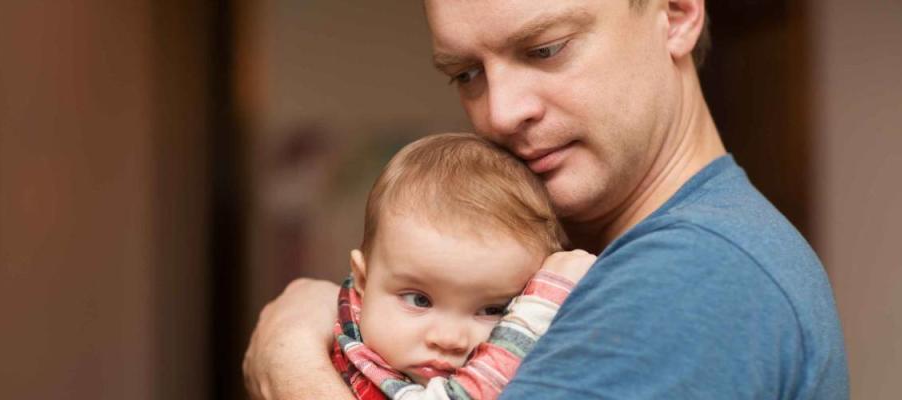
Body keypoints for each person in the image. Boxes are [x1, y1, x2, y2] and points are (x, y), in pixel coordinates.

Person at [244, 0, 850, 398]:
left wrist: (290, 360)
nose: (501, 113)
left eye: (544, 49)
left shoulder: (691, 273)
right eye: (466, 74)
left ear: (675, 11)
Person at [330, 133, 594, 399]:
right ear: (362, 280)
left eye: (493, 309)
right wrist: (544, 302)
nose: (449, 340)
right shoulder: (336, 341)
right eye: (419, 300)